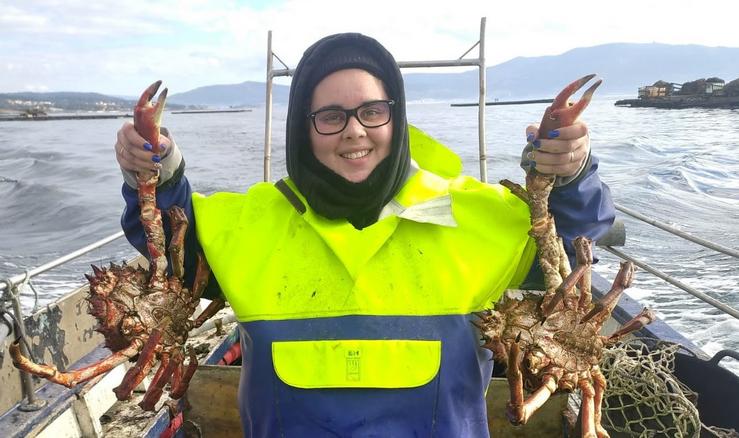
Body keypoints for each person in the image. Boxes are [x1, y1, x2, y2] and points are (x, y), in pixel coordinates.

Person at [114, 32, 614, 438]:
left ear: (395, 118)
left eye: (372, 111)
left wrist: (568, 174)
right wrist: (158, 169)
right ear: (301, 129)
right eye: (330, 117)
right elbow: (171, 253)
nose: (354, 131)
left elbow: (568, 255)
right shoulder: (247, 223)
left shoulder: (475, 215)